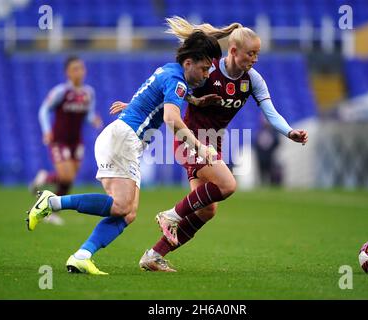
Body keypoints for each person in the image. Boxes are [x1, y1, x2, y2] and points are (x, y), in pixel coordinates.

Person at [110, 17, 308, 272]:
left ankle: (154, 255)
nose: (255, 59)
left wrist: (289, 131)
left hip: (214, 142)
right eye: (251, 53)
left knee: (207, 211)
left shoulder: (253, 80)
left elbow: (270, 111)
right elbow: (172, 88)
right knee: (227, 185)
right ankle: (170, 214)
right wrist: (138, 105)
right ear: (234, 51)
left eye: (257, 53)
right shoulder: (208, 69)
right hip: (190, 138)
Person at [25, 31, 223, 275]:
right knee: (121, 206)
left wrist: (193, 101)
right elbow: (172, 119)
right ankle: (51, 202)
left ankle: (81, 256)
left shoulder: (169, 71)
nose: (206, 75)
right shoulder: (178, 81)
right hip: (124, 139)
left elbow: (154, 99)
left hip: (126, 139)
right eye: (204, 69)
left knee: (127, 214)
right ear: (188, 63)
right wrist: (200, 147)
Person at [30, 56, 102, 225]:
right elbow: (44, 110)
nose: (79, 72)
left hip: (76, 141)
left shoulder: (88, 93)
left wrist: (93, 119)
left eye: (81, 68)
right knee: (66, 176)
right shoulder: (61, 92)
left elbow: (88, 114)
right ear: (68, 72)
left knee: (68, 179)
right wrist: (47, 131)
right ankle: (45, 181)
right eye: (75, 69)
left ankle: (51, 210)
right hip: (59, 140)